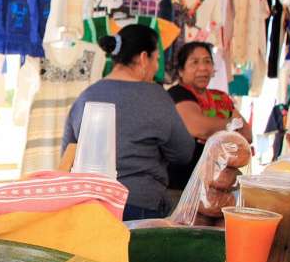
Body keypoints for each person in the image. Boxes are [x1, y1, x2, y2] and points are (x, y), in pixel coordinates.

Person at [62, 24, 194, 221]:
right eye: (156, 59)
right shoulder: (156, 97)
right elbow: (184, 153)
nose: (157, 67)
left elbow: (68, 153)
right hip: (140, 207)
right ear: (143, 58)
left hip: (89, 207)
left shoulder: (86, 96)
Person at [167, 42, 253, 192]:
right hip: (182, 187)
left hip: (218, 186)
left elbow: (247, 135)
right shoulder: (177, 94)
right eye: (194, 62)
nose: (203, 68)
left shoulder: (220, 98)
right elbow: (200, 128)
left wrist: (216, 131)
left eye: (207, 61)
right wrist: (231, 126)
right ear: (181, 71)